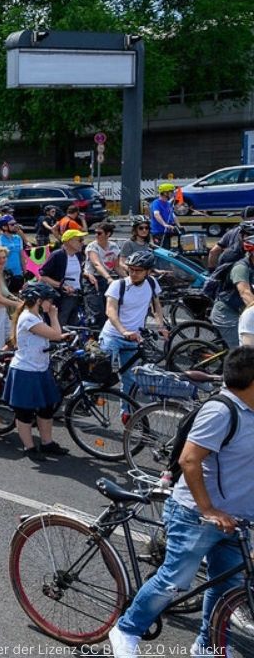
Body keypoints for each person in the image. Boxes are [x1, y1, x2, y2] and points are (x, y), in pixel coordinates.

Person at [108, 346, 254, 657]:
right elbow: (189, 460)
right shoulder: (221, 411)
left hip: (236, 519)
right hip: (195, 515)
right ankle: (126, 629)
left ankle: (208, 646)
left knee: (226, 586)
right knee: (174, 580)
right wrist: (208, 509)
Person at [4, 284, 71, 460]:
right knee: (25, 412)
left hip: (39, 369)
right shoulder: (28, 319)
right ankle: (29, 447)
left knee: (46, 409)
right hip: (25, 371)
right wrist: (54, 316)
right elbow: (55, 334)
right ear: (39, 301)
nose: (52, 305)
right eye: (49, 301)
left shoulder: (36, 315)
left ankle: (47, 443)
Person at [100, 250, 168, 418]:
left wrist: (161, 325)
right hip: (113, 335)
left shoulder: (151, 283)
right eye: (131, 269)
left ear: (148, 272)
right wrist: (123, 331)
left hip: (133, 338)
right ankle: (81, 399)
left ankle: (127, 414)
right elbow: (110, 311)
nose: (133, 273)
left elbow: (156, 305)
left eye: (138, 270)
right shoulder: (118, 285)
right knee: (98, 374)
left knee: (130, 379)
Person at [209, 234, 254, 350]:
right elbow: (245, 293)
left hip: (241, 311)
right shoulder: (241, 268)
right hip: (226, 314)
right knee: (244, 353)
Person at [38, 229, 87, 328]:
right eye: (80, 240)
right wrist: (61, 285)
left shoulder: (78, 255)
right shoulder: (57, 255)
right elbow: (43, 275)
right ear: (69, 241)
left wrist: (87, 274)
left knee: (73, 323)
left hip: (76, 294)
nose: (82, 243)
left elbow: (77, 273)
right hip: (62, 297)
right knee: (61, 324)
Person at [84, 222, 120, 327]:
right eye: (95, 233)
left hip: (105, 280)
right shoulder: (92, 246)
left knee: (109, 309)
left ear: (108, 234)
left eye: (99, 233)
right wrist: (108, 277)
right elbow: (97, 264)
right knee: (97, 311)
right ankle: (93, 337)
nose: (96, 235)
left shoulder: (113, 247)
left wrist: (128, 278)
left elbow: (117, 267)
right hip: (92, 279)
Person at [0, 215, 27, 294]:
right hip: (5, 277)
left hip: (18, 275)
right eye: (12, 224)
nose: (15, 226)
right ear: (4, 227)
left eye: (15, 224)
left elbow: (21, 256)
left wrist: (25, 274)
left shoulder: (18, 238)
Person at [149, 183, 182, 250]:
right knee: (162, 250)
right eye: (171, 192)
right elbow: (156, 214)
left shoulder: (168, 203)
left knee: (178, 241)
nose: (173, 194)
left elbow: (173, 215)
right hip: (159, 231)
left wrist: (179, 225)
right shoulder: (156, 203)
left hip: (167, 231)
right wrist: (165, 224)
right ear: (165, 193)